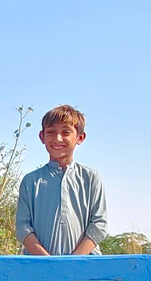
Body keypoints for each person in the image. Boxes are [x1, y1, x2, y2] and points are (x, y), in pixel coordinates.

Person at [16, 105, 108, 256]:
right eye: (51, 132)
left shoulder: (91, 178)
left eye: (66, 132)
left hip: (84, 268)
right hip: (40, 268)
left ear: (80, 137)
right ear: (42, 136)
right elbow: (23, 227)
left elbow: (99, 224)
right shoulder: (31, 181)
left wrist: (74, 261)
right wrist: (48, 262)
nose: (58, 138)